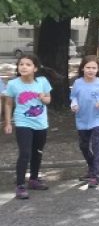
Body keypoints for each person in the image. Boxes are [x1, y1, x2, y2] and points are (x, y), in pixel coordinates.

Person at [3, 54, 54, 199]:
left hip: (41, 123)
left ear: (35, 68)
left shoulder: (42, 81)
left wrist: (44, 99)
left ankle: (33, 179)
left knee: (37, 152)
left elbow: (48, 100)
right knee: (25, 153)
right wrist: (8, 123)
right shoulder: (13, 84)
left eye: (28, 64)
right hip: (23, 122)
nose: (24, 67)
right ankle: (20, 185)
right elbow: (8, 104)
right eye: (21, 64)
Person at [70, 56, 99, 188]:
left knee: (96, 143)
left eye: (94, 68)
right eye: (88, 67)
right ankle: (91, 168)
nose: (90, 70)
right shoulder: (78, 83)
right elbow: (73, 97)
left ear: (98, 69)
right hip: (83, 118)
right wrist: (74, 105)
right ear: (82, 68)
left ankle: (96, 175)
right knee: (83, 146)